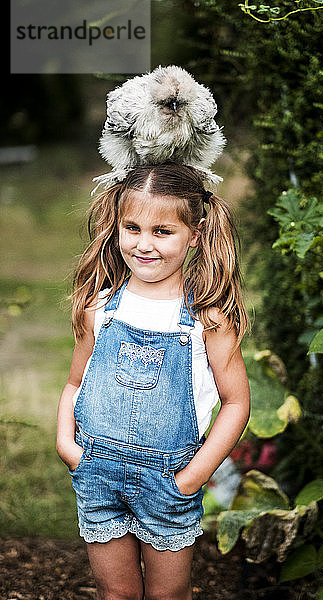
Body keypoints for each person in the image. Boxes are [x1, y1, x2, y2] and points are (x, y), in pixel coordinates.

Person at [56, 162, 250, 600]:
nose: (144, 245)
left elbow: (236, 403)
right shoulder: (99, 306)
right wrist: (68, 447)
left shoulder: (207, 318)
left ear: (195, 234)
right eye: (132, 228)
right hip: (96, 475)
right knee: (116, 592)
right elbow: (74, 383)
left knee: (168, 594)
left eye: (162, 231)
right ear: (117, 227)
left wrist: (193, 477)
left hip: (168, 484)